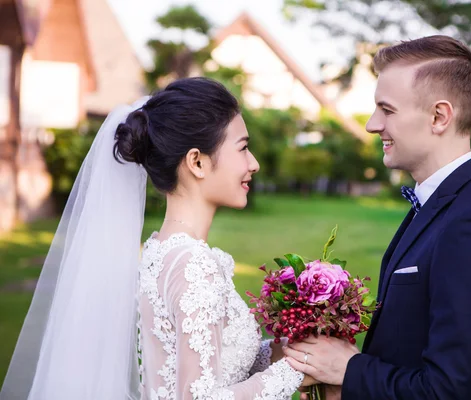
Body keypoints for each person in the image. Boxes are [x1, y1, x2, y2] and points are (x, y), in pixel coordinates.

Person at [1, 77, 313, 399]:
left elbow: (211, 363)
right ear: (197, 162)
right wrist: (294, 370)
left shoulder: (164, 252)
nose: (254, 163)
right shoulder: (193, 265)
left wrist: (282, 351)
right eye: (243, 148)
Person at [284, 35, 471, 400]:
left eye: (387, 109)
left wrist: (350, 370)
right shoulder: (441, 204)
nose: (371, 124)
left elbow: (451, 390)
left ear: (439, 116)